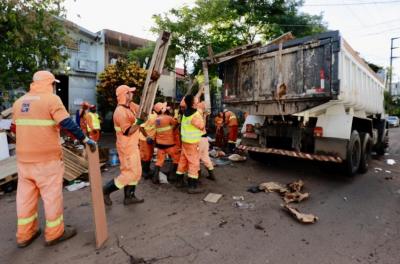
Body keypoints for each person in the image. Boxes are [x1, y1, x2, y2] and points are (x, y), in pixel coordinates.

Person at [12, 70, 96, 248]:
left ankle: (25, 234)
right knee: (51, 197)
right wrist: (85, 139)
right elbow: (67, 123)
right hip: (46, 160)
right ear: (50, 84)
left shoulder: (19, 102)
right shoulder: (51, 100)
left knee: (25, 198)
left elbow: (14, 130)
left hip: (24, 161)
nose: (55, 87)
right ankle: (54, 233)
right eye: (54, 84)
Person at [102, 85, 144, 206]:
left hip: (133, 146)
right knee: (129, 174)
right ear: (125, 95)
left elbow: (142, 108)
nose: (132, 94)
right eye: (130, 92)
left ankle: (129, 197)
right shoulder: (120, 112)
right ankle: (106, 190)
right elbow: (128, 131)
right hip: (126, 148)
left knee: (137, 172)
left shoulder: (129, 106)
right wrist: (139, 122)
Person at [175, 95, 205, 194]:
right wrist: (203, 116)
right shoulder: (195, 114)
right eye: (195, 101)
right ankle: (192, 186)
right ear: (192, 103)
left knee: (183, 160)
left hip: (185, 141)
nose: (197, 102)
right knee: (194, 163)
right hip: (192, 143)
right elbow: (201, 126)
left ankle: (179, 181)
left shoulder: (185, 113)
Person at [152, 102, 180, 183]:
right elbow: (176, 124)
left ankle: (155, 177)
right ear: (162, 110)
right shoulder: (168, 118)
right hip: (169, 144)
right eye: (164, 107)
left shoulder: (156, 119)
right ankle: (172, 176)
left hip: (160, 144)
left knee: (159, 161)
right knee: (176, 159)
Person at [196, 101, 216, 181]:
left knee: (196, 157)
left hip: (199, 138)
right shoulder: (203, 114)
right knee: (205, 157)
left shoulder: (196, 113)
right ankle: (212, 175)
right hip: (204, 139)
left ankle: (197, 174)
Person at [139, 110, 157, 179]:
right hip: (145, 139)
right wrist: (147, 137)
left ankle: (147, 169)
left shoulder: (156, 115)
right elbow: (141, 127)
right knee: (145, 155)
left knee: (149, 155)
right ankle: (144, 171)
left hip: (150, 139)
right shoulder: (147, 115)